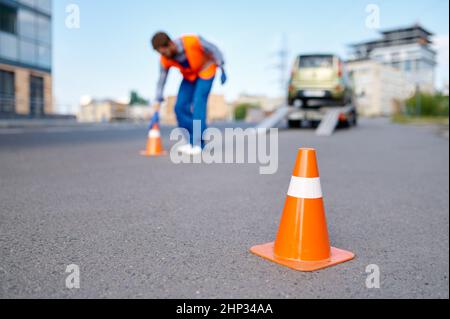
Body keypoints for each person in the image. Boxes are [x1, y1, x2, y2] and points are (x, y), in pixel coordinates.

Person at [151, 32, 227, 155]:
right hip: (190, 77)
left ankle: (198, 143)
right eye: (160, 53)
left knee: (198, 104)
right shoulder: (164, 59)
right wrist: (157, 99)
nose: (163, 55)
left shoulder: (191, 41)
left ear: (170, 44)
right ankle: (191, 141)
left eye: (164, 52)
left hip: (206, 71)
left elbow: (213, 48)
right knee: (179, 107)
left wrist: (222, 66)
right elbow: (161, 80)